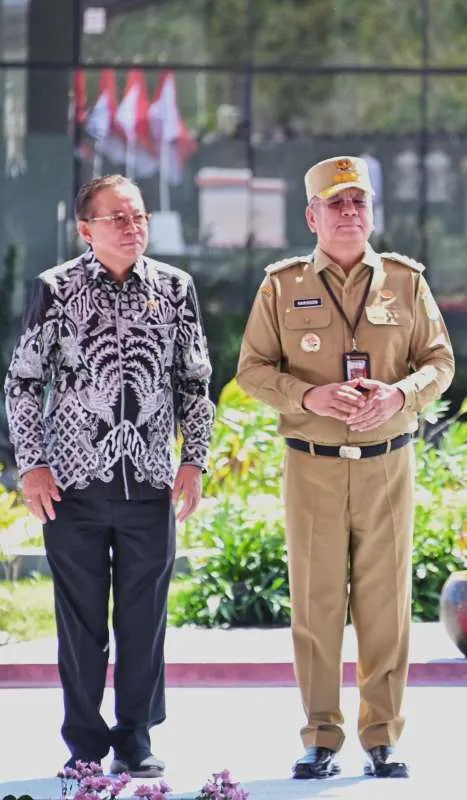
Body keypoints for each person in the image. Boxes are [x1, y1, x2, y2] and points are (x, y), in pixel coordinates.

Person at [236, 155, 455, 780]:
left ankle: (383, 736)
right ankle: (320, 736)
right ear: (312, 215)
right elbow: (252, 368)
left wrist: (400, 394)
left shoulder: (408, 283)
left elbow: (438, 362)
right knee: (317, 603)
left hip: (388, 462)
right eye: (336, 204)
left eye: (359, 202)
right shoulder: (280, 285)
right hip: (314, 466)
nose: (350, 212)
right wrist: (307, 397)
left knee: (387, 603)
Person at [5, 175, 214, 778]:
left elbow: (194, 384)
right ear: (86, 229)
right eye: (117, 218)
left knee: (145, 621)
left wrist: (194, 460)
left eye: (139, 216)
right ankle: (85, 745)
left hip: (150, 482)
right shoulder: (57, 289)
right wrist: (34, 464)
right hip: (73, 486)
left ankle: (136, 739)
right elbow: (23, 383)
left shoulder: (175, 289)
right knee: (81, 623)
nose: (132, 227)